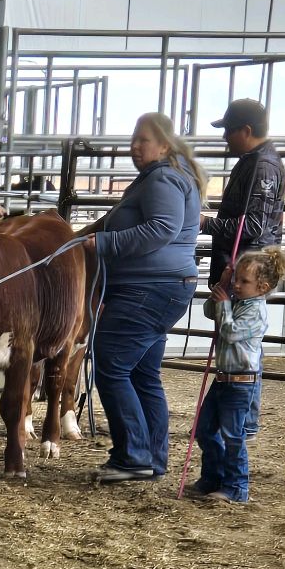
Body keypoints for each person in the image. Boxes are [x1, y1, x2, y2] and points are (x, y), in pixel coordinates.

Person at [81, 111, 203, 483]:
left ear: (164, 145)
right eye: (132, 140)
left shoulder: (162, 178)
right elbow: (118, 222)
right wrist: (74, 238)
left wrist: (104, 243)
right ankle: (152, 457)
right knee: (142, 374)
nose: (134, 147)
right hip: (163, 287)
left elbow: (161, 228)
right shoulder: (163, 176)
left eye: (143, 140)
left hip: (147, 288)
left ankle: (133, 455)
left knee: (111, 366)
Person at [206, 98, 285, 438]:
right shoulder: (253, 162)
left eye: (229, 130)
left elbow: (253, 226)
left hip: (247, 268)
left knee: (243, 343)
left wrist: (207, 224)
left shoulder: (262, 167)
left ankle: (244, 419)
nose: (225, 137)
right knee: (239, 341)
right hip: (241, 266)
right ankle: (237, 416)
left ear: (247, 130)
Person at [191, 245, 285, 505]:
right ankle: (213, 477)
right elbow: (209, 311)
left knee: (233, 435)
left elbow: (230, 332)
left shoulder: (255, 311)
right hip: (223, 377)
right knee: (204, 430)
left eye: (243, 281)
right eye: (236, 278)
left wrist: (224, 304)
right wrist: (222, 286)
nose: (237, 284)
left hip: (241, 382)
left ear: (262, 287)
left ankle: (237, 487)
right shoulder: (235, 300)